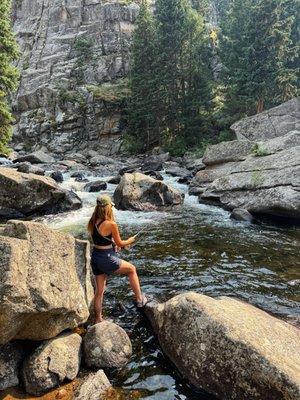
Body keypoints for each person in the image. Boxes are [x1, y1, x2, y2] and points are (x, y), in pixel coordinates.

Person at [87, 194, 148, 323]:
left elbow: (101, 240)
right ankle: (140, 300)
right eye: (111, 207)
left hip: (96, 258)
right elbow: (121, 243)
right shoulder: (111, 224)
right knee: (131, 269)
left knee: (99, 291)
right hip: (105, 258)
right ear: (108, 208)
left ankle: (98, 319)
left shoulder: (93, 221)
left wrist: (113, 245)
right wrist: (129, 241)